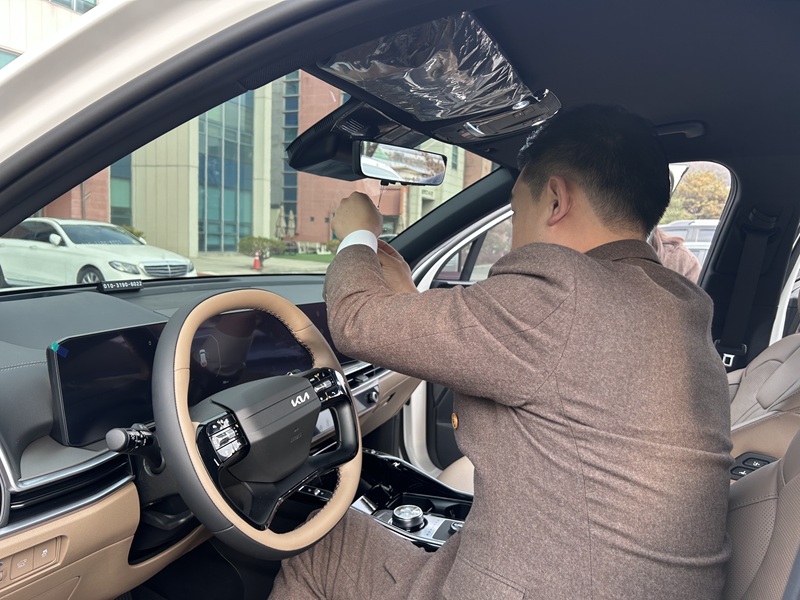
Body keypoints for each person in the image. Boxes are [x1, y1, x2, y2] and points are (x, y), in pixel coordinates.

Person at [269, 105, 732, 599]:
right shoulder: (679, 305)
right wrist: (410, 303)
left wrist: (359, 234)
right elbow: (533, 358)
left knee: (322, 546)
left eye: (516, 210)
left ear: (555, 200)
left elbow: (356, 321)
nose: (514, 232)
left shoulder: (562, 290)